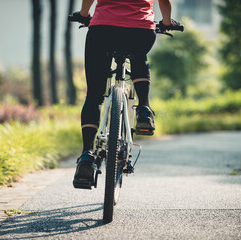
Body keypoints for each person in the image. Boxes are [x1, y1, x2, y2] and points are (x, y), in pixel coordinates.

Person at [73, 0, 173, 186]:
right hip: (141, 31)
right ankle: (144, 109)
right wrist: (166, 23)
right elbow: (164, 2)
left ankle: (87, 155)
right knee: (138, 54)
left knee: (93, 96)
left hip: (102, 30)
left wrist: (84, 14)